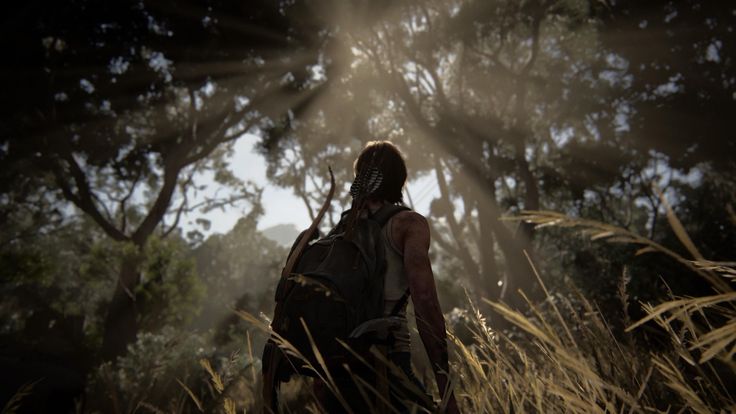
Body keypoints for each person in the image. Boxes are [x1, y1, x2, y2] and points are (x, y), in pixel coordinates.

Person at [314, 140, 460, 414]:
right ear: (399, 180)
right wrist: (446, 389)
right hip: (387, 366)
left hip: (335, 376)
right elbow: (425, 301)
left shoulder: (339, 233)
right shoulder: (408, 224)